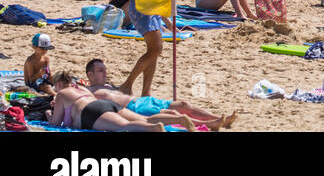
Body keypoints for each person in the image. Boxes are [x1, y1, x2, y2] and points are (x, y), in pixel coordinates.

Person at [81, 61, 235, 130]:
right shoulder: (90, 91)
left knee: (183, 105)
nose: (105, 73)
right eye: (101, 71)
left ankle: (219, 118)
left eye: (105, 70)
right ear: (90, 74)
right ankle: (211, 124)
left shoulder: (107, 86)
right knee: (173, 114)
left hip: (142, 100)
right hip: (134, 108)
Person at [49, 77, 165, 132]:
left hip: (91, 112)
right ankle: (177, 119)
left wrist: (49, 113)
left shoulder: (61, 94)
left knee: (125, 126)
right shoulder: (82, 89)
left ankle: (154, 128)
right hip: (103, 104)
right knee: (146, 118)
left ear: (59, 84)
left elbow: (56, 123)